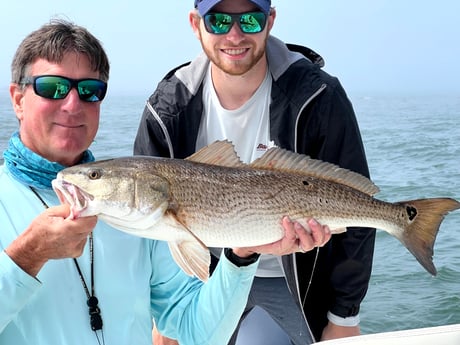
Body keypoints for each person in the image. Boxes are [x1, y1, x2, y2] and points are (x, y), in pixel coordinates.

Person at [0, 19, 331, 345]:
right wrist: (26, 256)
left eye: (89, 91)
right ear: (17, 99)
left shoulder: (140, 208)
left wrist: (241, 255)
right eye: (52, 88)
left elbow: (199, 334)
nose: (72, 105)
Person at [133, 0, 376, 344]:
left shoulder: (319, 95)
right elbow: (156, 233)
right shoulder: (168, 107)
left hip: (297, 279)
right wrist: (168, 314)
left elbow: (358, 212)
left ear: (270, 21)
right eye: (217, 21)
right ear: (195, 23)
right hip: (207, 277)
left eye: (249, 20)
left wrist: (344, 316)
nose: (234, 34)